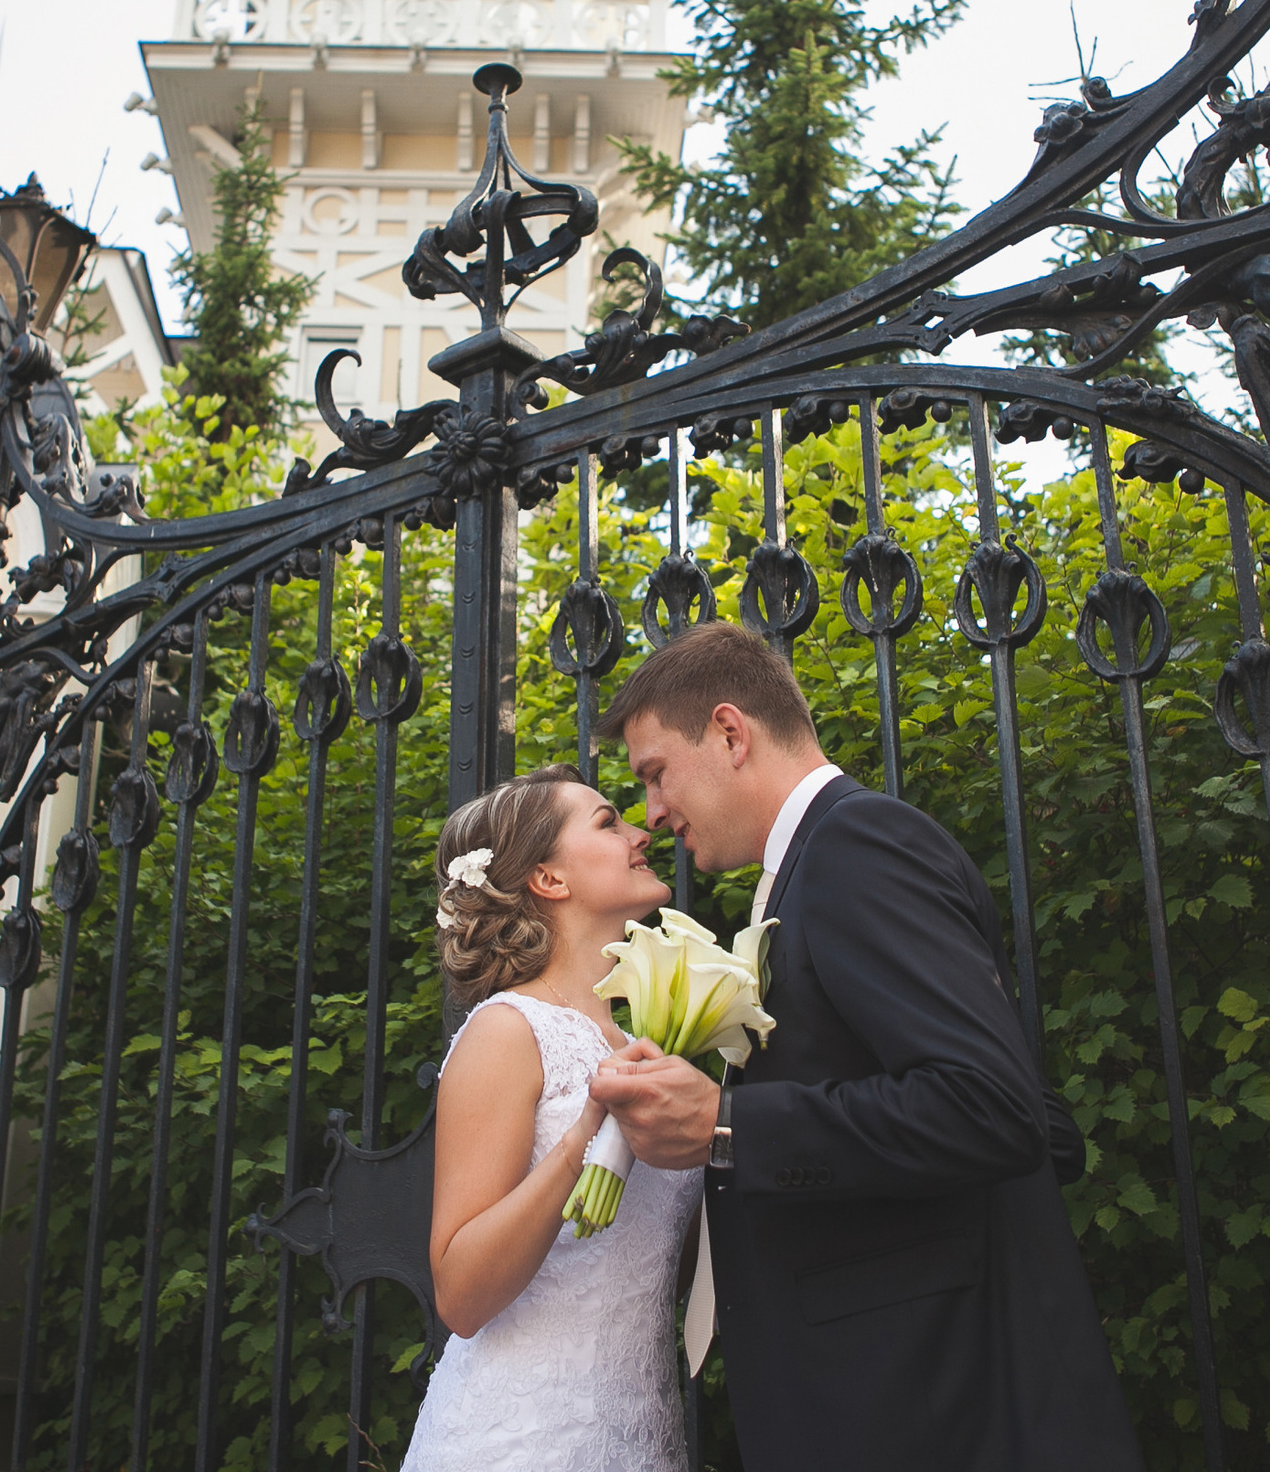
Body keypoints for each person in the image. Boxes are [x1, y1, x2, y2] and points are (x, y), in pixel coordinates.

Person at [587, 621, 1142, 1472]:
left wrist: (729, 1125)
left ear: (731, 733)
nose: (652, 813)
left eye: (654, 773)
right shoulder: (817, 864)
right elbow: (1039, 1118)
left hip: (929, 1404)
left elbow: (990, 1109)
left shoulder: (858, 846)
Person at [401, 764, 701, 1472]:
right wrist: (582, 1141)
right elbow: (462, 1295)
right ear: (550, 879)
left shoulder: (646, 1045)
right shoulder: (508, 1030)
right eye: (607, 822)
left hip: (641, 1436)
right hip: (517, 1441)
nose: (640, 832)